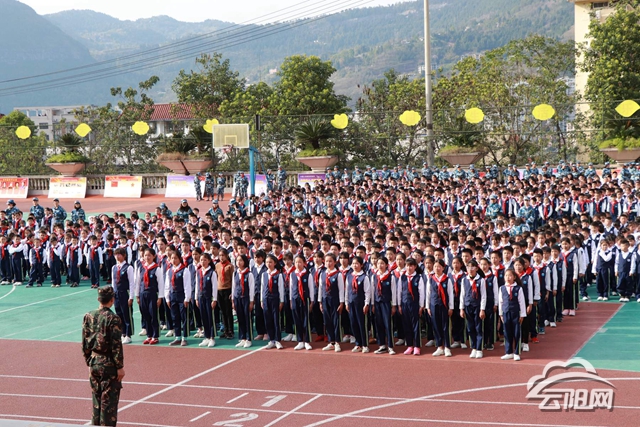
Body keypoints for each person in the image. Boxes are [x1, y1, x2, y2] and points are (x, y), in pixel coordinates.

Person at [82, 285, 125, 427]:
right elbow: (116, 345)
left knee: (97, 401)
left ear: (98, 299)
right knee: (108, 404)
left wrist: (89, 361)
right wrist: (119, 366)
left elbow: (84, 342)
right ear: (112, 300)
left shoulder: (89, 316)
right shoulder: (113, 318)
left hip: (94, 361)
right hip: (108, 364)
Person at [135, 247, 164, 345]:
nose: (147, 257)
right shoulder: (141, 268)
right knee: (145, 315)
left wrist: (160, 297)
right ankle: (149, 335)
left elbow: (160, 284)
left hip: (152, 294)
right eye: (145, 255)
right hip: (143, 294)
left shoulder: (157, 268)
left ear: (154, 256)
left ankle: (155, 336)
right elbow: (138, 282)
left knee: (153, 315)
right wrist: (137, 295)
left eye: (149, 255)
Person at [459, 260, 486, 359]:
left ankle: (479, 349)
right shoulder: (464, 280)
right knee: (470, 328)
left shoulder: (481, 280)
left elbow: (483, 296)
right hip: (468, 305)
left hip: (477, 306)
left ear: (477, 268)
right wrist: (461, 308)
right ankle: (473, 347)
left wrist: (482, 309)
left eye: (472, 267)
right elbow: (462, 295)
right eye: (468, 267)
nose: (470, 269)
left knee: (478, 327)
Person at [164, 250, 192, 346]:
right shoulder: (169, 271)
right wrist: (167, 298)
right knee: (175, 317)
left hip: (181, 296)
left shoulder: (184, 270)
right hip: (173, 296)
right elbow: (167, 286)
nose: (174, 260)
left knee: (184, 317)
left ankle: (185, 337)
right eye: (172, 258)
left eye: (175, 258)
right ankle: (177, 337)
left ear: (180, 259)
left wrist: (187, 298)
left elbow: (187, 285)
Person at [499, 269, 526, 361]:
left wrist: (522, 315)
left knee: (516, 332)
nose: (508, 277)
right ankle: (508, 352)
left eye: (510, 275)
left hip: (515, 313)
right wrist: (501, 314)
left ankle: (517, 352)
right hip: (506, 312)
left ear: (514, 277)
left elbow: (521, 302)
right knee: (507, 332)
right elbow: (501, 302)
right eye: (506, 275)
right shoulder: (502, 288)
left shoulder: (518, 288)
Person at [290, 254, 315, 350]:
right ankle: (300, 341)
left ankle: (307, 341)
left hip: (305, 299)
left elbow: (311, 288)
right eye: (296, 262)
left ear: (304, 263)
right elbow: (291, 288)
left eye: (300, 262)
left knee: (306, 320)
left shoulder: (308, 274)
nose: (298, 264)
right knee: (297, 320)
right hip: (295, 298)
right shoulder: (293, 274)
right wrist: (291, 300)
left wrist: (311, 301)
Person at [112, 247, 134, 344]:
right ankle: (123, 333)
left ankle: (129, 335)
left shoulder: (128, 267)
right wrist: (113, 294)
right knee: (119, 314)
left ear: (124, 255)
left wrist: (131, 297)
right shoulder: (114, 267)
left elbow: (131, 283)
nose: (117, 256)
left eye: (119, 254)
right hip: (116, 293)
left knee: (127, 314)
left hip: (125, 293)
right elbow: (113, 282)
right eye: (115, 254)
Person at [195, 252, 218, 347]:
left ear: (209, 261)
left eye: (205, 260)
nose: (203, 262)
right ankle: (206, 337)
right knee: (203, 317)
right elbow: (197, 285)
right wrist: (196, 298)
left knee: (210, 317)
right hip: (201, 297)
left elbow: (214, 287)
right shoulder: (198, 271)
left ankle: (212, 337)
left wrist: (214, 299)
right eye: (201, 260)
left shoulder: (212, 272)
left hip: (209, 297)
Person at [232, 254, 255, 348]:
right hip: (237, 298)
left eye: (241, 260)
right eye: (237, 260)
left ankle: (249, 339)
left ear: (245, 262)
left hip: (246, 298)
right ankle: (242, 338)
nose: (239, 262)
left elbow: (252, 288)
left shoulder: (249, 274)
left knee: (247, 318)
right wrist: (233, 300)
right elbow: (233, 287)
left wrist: (251, 301)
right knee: (240, 318)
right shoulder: (235, 273)